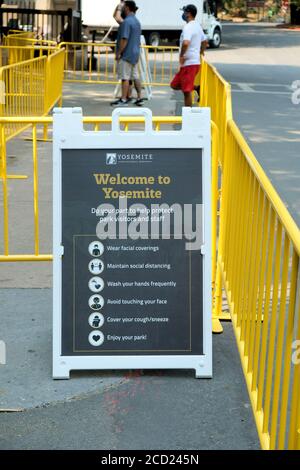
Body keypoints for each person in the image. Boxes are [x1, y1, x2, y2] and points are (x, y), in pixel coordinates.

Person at [170, 4, 208, 107]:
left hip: (189, 64)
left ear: (188, 13)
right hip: (190, 64)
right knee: (174, 84)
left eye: (184, 12)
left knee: (186, 92)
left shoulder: (188, 27)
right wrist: (201, 51)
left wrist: (182, 55)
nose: (183, 14)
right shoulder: (197, 26)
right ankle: (196, 88)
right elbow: (205, 41)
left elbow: (186, 43)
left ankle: (188, 114)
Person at [111, 1, 143, 107]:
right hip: (135, 54)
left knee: (125, 77)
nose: (123, 9)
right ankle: (139, 97)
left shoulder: (126, 22)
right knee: (136, 76)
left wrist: (119, 52)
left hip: (126, 54)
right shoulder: (137, 22)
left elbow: (124, 39)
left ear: (128, 8)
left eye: (124, 7)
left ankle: (124, 99)